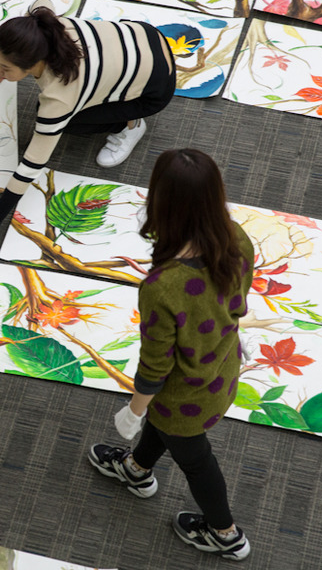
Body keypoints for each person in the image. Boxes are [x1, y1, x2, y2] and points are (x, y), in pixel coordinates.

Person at [87, 149, 254, 561]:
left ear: (160, 202)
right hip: (222, 365)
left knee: (196, 461)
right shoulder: (237, 237)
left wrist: (134, 410)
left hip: (185, 396)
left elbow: (156, 365)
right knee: (170, 430)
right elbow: (234, 299)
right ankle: (137, 471)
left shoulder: (163, 285)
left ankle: (225, 534)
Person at [0, 0, 176, 255]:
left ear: (34, 63)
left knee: (66, 121)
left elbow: (32, 165)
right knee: (55, 110)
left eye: (5, 67)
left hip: (155, 89)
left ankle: (129, 125)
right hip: (144, 35)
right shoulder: (42, 25)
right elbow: (42, 1)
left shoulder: (60, 96)